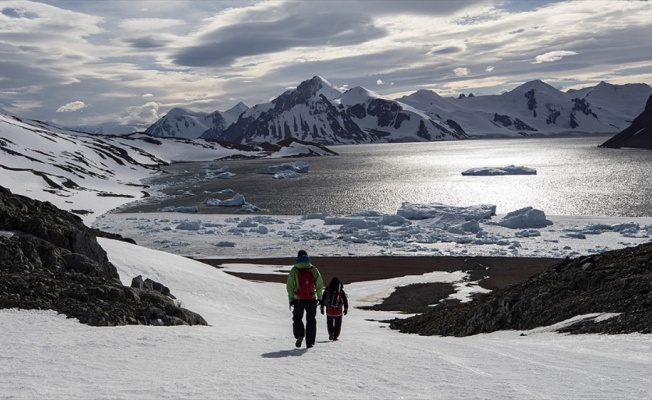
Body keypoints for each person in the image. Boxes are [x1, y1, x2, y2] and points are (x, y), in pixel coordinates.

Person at [286, 250, 323, 349]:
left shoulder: (294, 270)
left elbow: (290, 286)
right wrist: (320, 297)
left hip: (298, 299)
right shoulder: (313, 269)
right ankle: (310, 343)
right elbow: (319, 285)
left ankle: (299, 336)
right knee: (311, 320)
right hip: (311, 299)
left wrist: (291, 299)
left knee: (297, 318)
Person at [320, 277, 349, 341]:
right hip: (338, 311)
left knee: (329, 323)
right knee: (338, 324)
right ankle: (335, 336)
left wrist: (322, 308)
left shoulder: (327, 290)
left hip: (329, 311)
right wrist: (346, 308)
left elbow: (323, 299)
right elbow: (345, 299)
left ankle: (331, 333)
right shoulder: (340, 291)